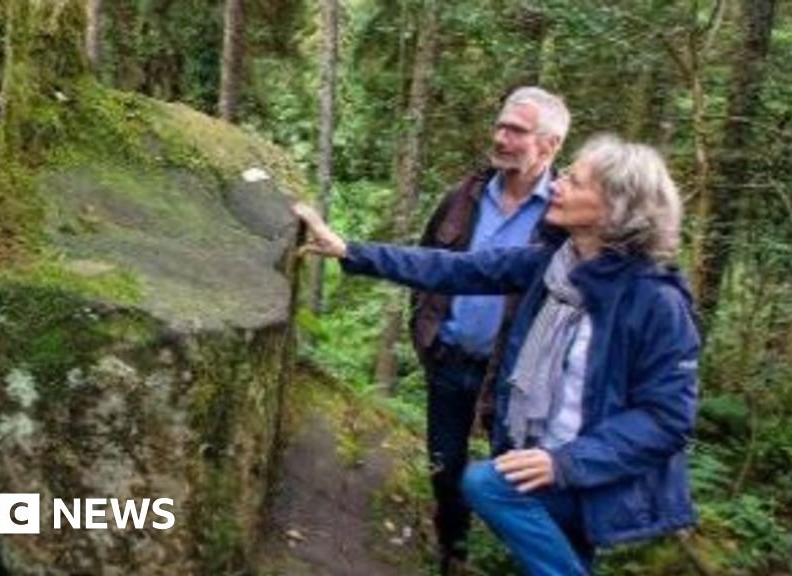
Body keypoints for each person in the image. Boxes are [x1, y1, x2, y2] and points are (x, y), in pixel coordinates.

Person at [293, 134, 701, 576]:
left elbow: (667, 419)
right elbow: (454, 268)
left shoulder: (656, 303)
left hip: (590, 474)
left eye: (576, 182)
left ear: (616, 210)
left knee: (486, 484)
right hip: (536, 455)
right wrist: (350, 251)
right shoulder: (555, 265)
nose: (558, 184)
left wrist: (565, 463)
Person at [410, 86, 569, 574]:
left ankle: (518, 558)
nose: (500, 137)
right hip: (450, 358)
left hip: (516, 378)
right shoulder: (464, 197)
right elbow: (427, 263)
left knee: (514, 477)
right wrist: (425, 331)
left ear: (550, 144)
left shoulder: (564, 214)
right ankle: (452, 550)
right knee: (446, 463)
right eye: (500, 126)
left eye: (516, 130)